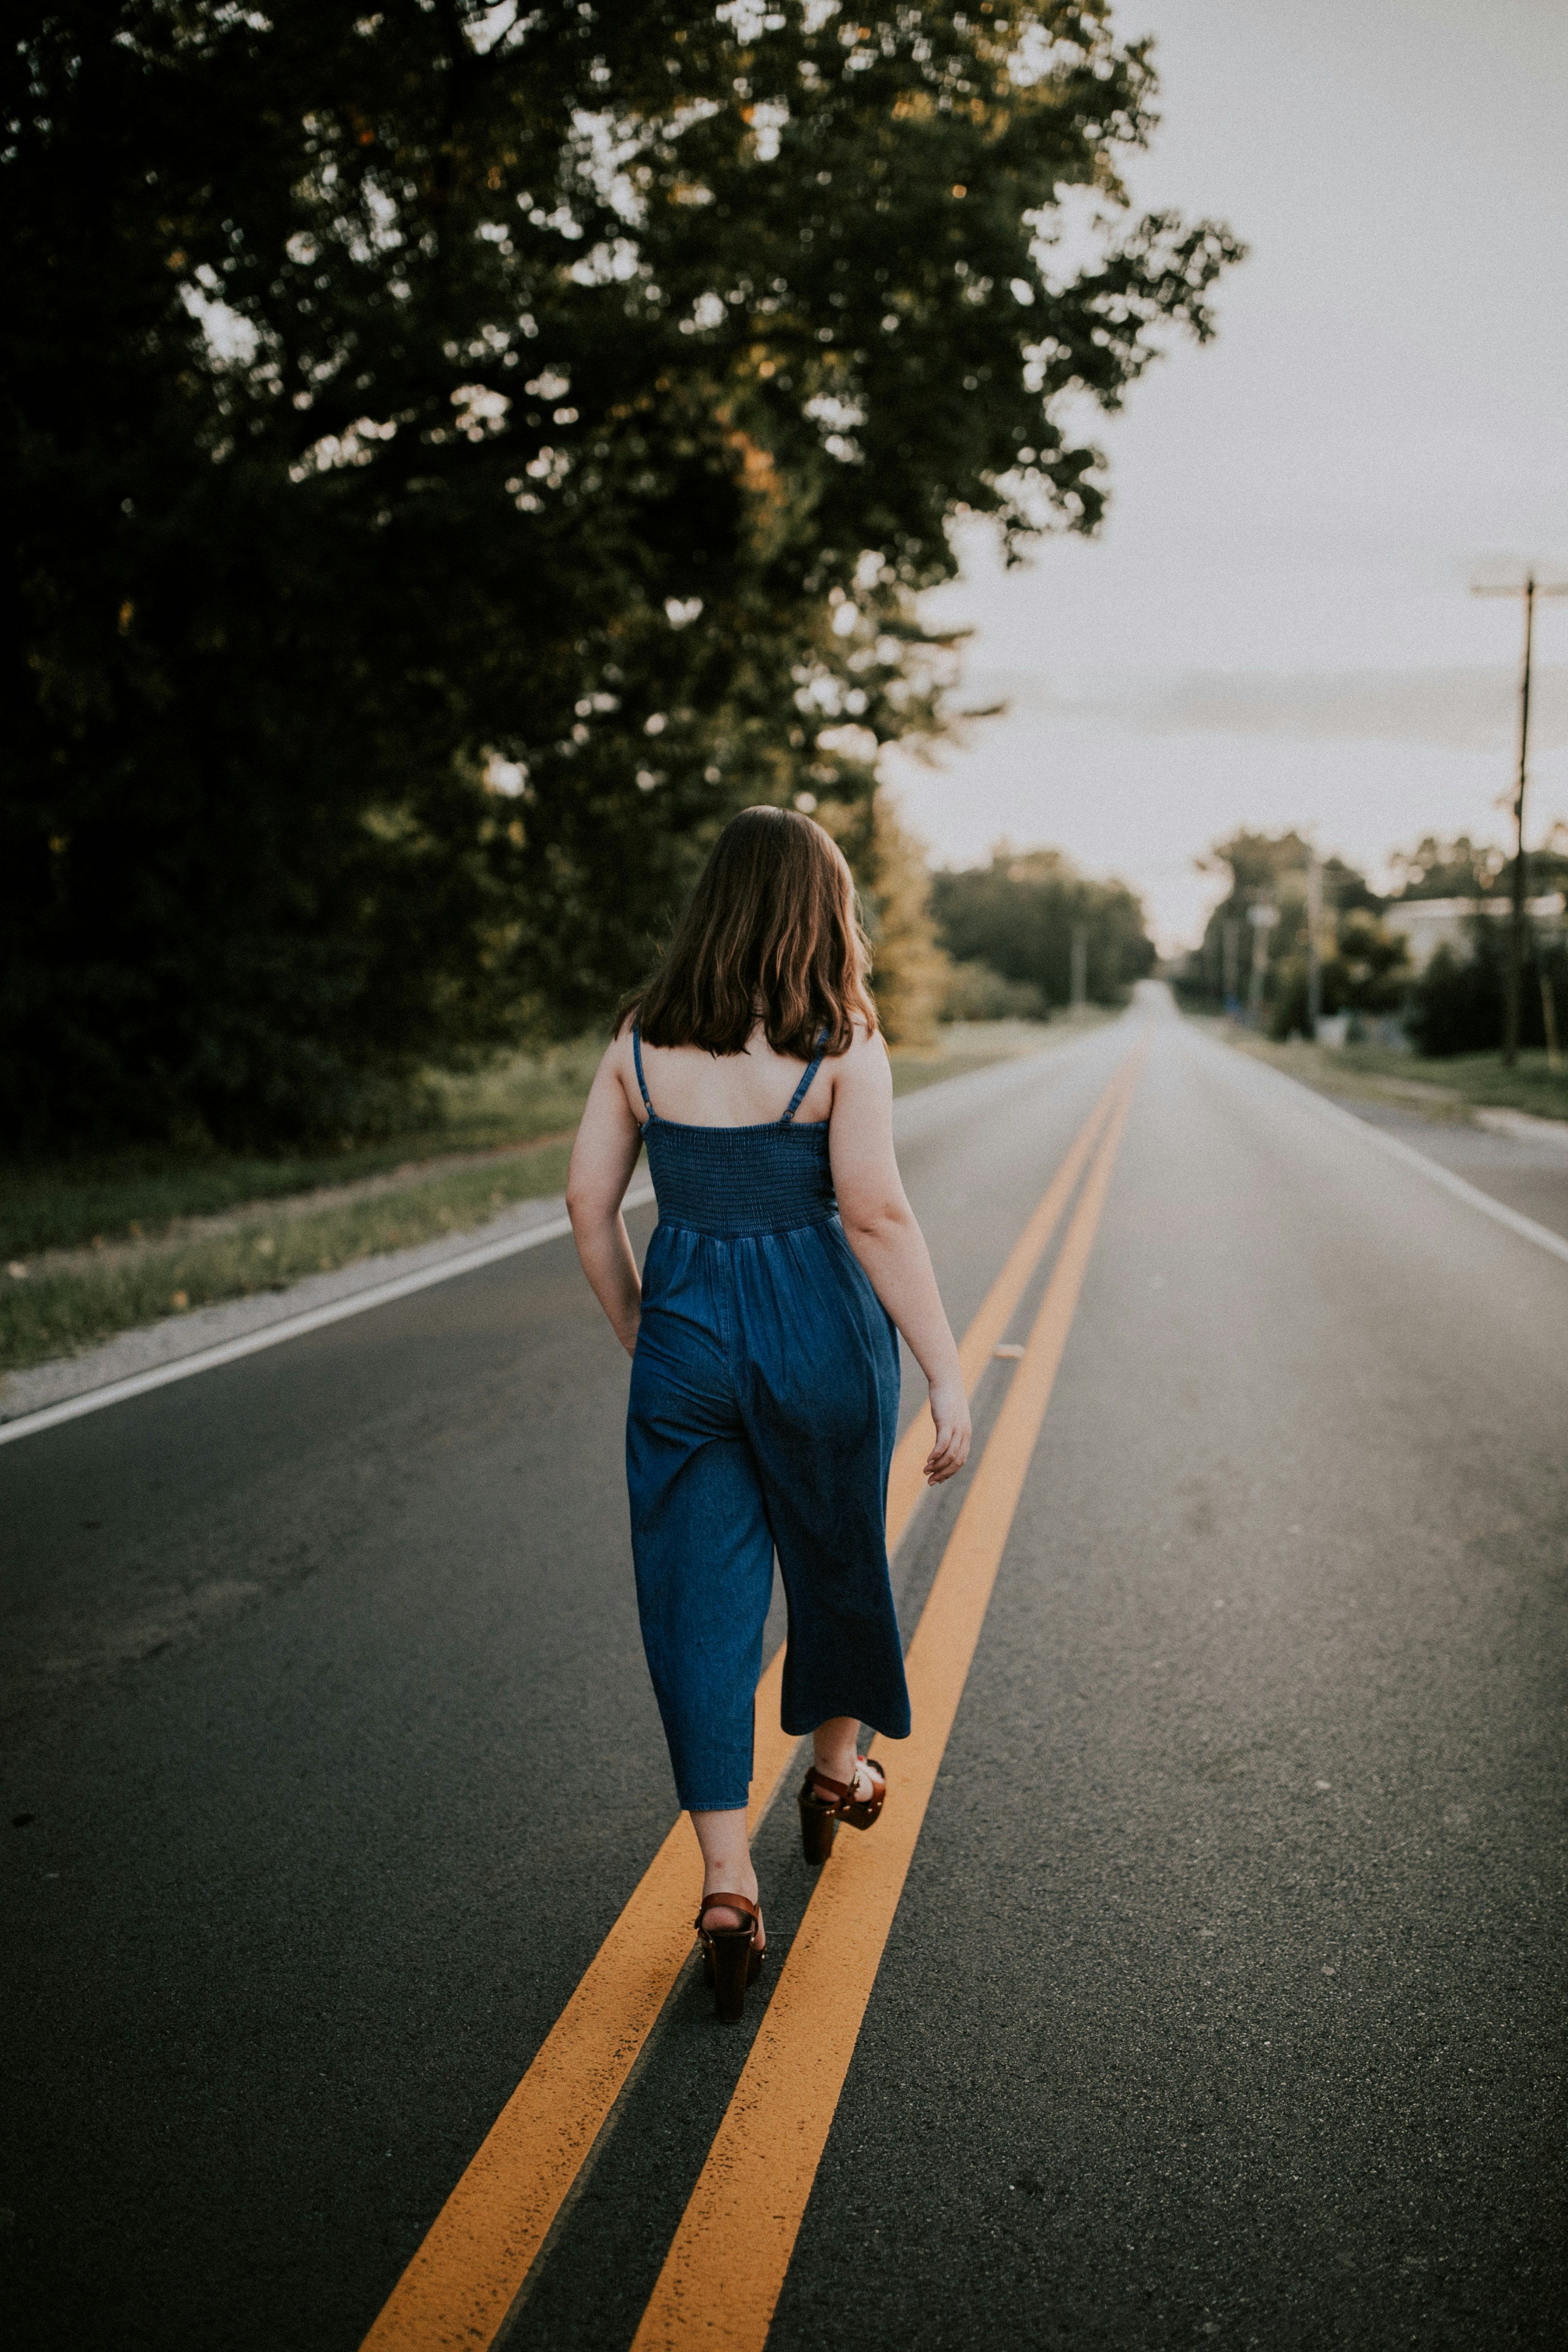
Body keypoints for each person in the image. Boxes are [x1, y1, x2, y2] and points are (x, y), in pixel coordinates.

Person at [566, 806, 970, 2019]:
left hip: (686, 1336)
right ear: (822, 909)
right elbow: (876, 1216)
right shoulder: (840, 1039)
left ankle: (728, 1886)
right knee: (839, 1560)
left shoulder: (642, 1041)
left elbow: (590, 1207)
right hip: (819, 1342)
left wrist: (648, 1331)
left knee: (698, 1609)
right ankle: (839, 1769)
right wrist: (945, 1369)